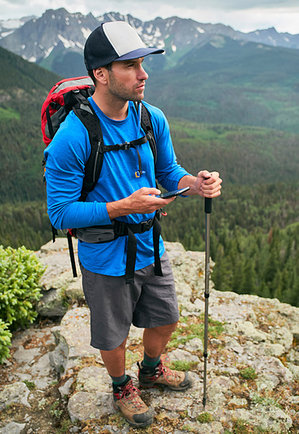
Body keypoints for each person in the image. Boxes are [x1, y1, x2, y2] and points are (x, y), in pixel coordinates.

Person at [44, 21, 222, 428]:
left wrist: (194, 184)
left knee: (167, 317)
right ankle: (122, 385)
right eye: (131, 66)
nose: (143, 75)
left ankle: (152, 369)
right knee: (114, 334)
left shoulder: (150, 117)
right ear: (101, 74)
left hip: (149, 245)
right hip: (105, 252)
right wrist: (120, 207)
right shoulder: (72, 137)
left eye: (142, 64)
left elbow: (167, 169)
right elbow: (60, 213)